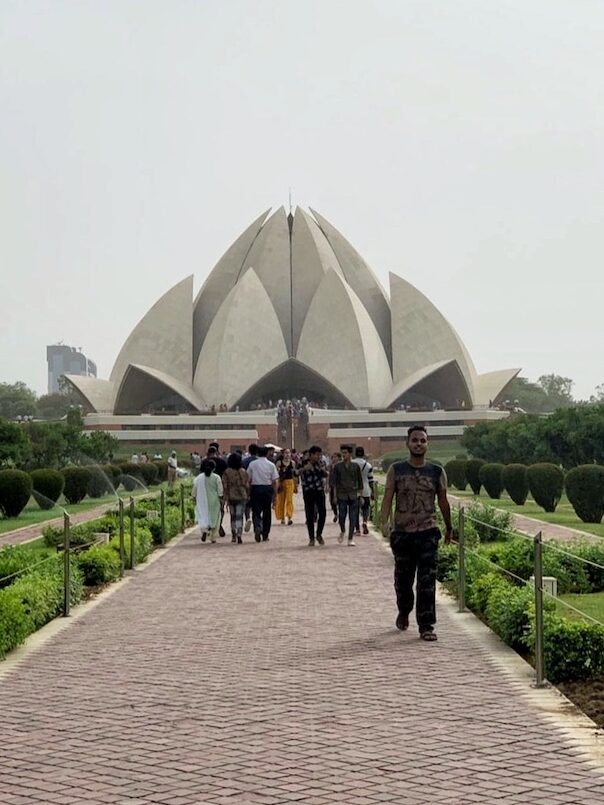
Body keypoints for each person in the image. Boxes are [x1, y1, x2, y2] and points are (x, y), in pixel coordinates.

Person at [380, 425, 453, 641]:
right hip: (403, 534)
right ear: (408, 443)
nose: (419, 444)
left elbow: (443, 501)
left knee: (427, 580)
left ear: (427, 444)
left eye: (422, 440)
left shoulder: (436, 471)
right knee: (403, 580)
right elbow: (387, 498)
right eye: (415, 440)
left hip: (427, 533)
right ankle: (404, 610)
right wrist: (385, 523)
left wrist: (449, 527)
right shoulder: (397, 469)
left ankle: (426, 625)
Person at [246, 445, 279, 541]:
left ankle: (257, 526)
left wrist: (248, 492)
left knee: (256, 511)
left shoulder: (252, 464)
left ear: (257, 453)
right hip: (267, 488)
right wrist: (275, 495)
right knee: (267, 512)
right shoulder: (271, 465)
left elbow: (248, 479)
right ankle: (265, 534)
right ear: (267, 453)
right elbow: (274, 481)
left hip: (256, 488)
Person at [332, 444, 363, 545]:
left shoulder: (356, 466)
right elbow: (335, 483)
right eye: (342, 453)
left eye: (345, 453)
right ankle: (343, 530)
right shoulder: (337, 467)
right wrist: (335, 496)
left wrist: (361, 496)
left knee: (353, 517)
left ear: (350, 454)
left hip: (353, 494)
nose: (343, 455)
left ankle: (350, 538)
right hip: (342, 494)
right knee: (342, 516)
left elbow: (360, 482)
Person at [299, 445, 328, 546]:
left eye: (320, 455)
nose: (318, 457)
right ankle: (311, 538)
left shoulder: (321, 463)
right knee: (310, 515)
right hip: (308, 491)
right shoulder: (302, 462)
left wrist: (322, 470)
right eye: (316, 455)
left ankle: (319, 534)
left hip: (319, 490)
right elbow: (294, 473)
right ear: (311, 455)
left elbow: (326, 474)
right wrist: (304, 469)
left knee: (323, 513)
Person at [192, 459, 224, 543]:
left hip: (202, 501)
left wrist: (194, 497)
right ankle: (213, 537)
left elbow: (194, 490)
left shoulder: (199, 478)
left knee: (203, 516)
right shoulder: (216, 477)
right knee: (215, 518)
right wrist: (221, 498)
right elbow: (220, 490)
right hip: (214, 501)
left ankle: (204, 531)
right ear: (214, 468)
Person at [222, 452, 250, 544]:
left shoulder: (227, 472)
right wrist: (248, 494)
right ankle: (239, 534)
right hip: (242, 495)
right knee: (239, 516)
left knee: (233, 516)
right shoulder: (243, 471)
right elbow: (247, 485)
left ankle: (233, 534)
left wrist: (224, 497)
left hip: (231, 495)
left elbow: (224, 485)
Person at [353, 446, 375, 536]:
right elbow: (370, 479)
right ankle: (365, 522)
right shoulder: (368, 465)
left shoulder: (352, 464)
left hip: (354, 490)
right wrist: (373, 491)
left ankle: (357, 529)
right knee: (366, 508)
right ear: (363, 454)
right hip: (366, 490)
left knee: (355, 510)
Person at [275, 448, 297, 525]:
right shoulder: (279, 463)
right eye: (286, 453)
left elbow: (294, 475)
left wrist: (296, 485)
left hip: (290, 482)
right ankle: (282, 517)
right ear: (283, 454)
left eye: (288, 453)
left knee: (289, 500)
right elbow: (276, 474)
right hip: (281, 483)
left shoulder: (292, 463)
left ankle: (289, 517)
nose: (287, 455)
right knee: (281, 500)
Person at [328, 452, 342, 523]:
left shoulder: (341, 466)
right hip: (332, 485)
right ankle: (336, 514)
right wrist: (328, 486)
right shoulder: (331, 466)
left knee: (340, 501)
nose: (334, 459)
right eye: (333, 457)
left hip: (339, 486)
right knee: (332, 501)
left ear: (339, 458)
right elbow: (329, 476)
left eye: (335, 457)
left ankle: (341, 515)